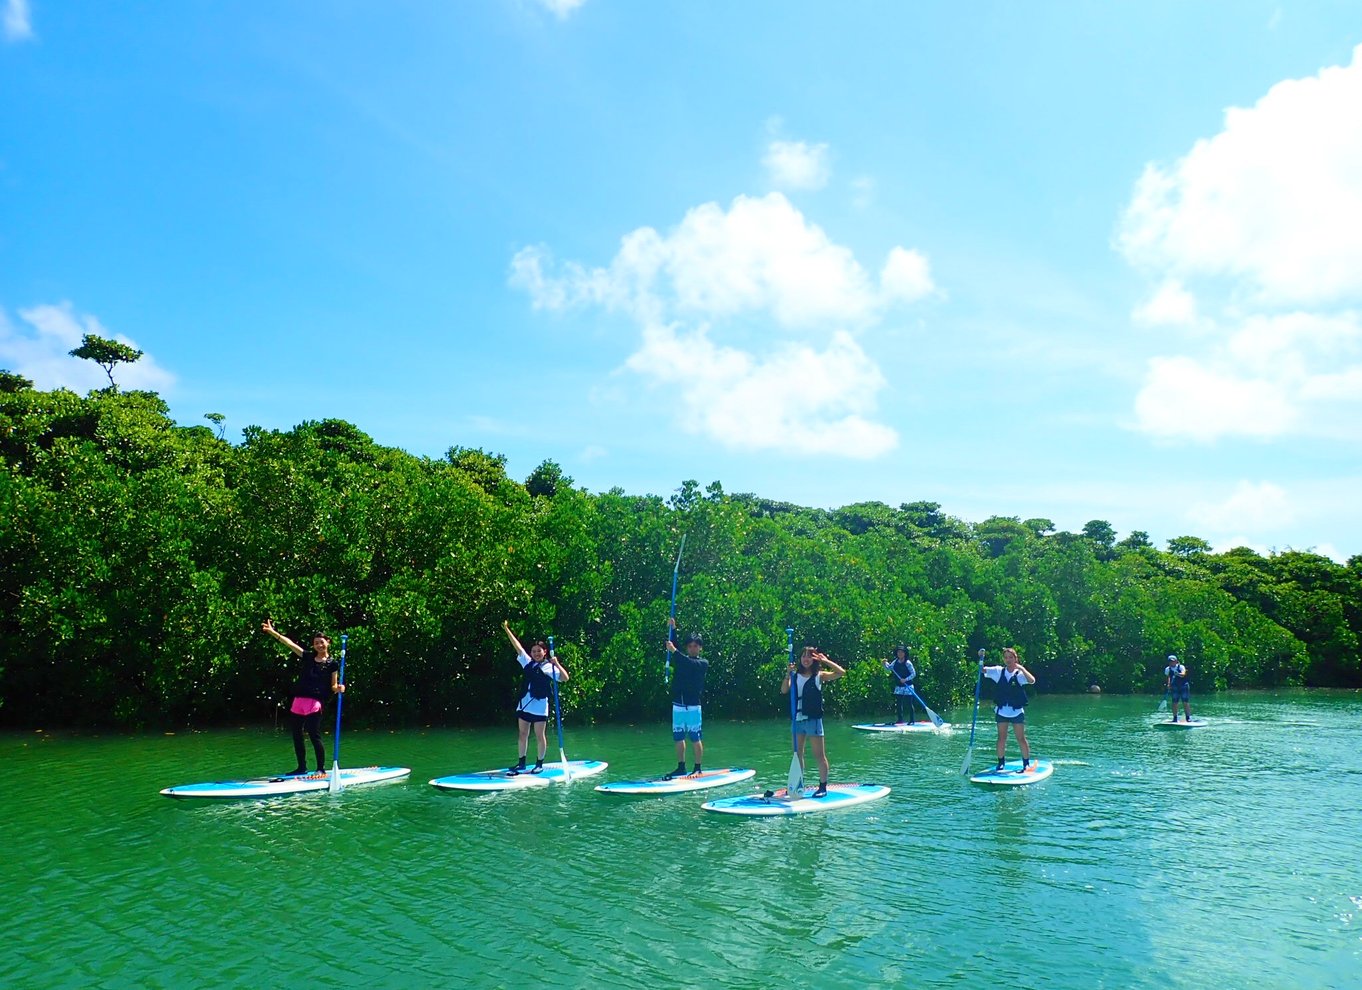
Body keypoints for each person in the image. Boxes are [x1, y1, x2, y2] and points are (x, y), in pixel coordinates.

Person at [261, 619, 344, 776]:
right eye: (316, 643)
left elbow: (333, 686)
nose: (319, 645)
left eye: (321, 642)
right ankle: (301, 767)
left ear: (328, 642)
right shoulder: (307, 657)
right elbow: (290, 644)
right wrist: (273, 632)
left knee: (314, 734)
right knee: (297, 736)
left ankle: (320, 768)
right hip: (298, 701)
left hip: (315, 703)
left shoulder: (333, 664)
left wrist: (339, 688)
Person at [502, 620, 569, 775]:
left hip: (540, 706)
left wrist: (557, 663)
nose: (536, 653)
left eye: (539, 651)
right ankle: (521, 763)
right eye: (534, 651)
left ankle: (539, 764)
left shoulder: (549, 667)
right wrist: (506, 629)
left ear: (544, 652)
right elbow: (518, 647)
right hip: (525, 704)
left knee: (540, 735)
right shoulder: (527, 662)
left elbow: (565, 678)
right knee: (522, 734)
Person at [780, 644, 846, 797]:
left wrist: (826, 660)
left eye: (809, 656)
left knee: (819, 755)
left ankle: (822, 787)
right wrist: (787, 674)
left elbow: (841, 673)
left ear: (814, 659)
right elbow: (784, 690)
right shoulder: (794, 676)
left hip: (813, 720)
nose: (806, 659)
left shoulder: (819, 676)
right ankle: (798, 783)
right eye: (803, 656)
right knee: (797, 753)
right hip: (797, 720)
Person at [663, 617, 709, 779]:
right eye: (689, 646)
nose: (692, 648)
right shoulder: (682, 659)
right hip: (679, 704)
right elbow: (677, 653)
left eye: (695, 646)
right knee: (678, 737)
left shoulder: (702, 663)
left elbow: (686, 662)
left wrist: (674, 650)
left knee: (695, 737)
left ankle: (697, 768)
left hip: (693, 706)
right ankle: (681, 767)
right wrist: (673, 629)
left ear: (700, 648)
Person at [982, 647, 1036, 772]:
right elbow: (982, 670)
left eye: (1011, 657)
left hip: (1016, 711)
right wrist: (981, 658)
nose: (1008, 660)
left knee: (1020, 738)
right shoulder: (998, 671)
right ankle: (1001, 763)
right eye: (1006, 657)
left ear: (1015, 658)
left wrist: (1021, 668)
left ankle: (1026, 764)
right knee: (1001, 737)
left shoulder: (1020, 674)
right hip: (1002, 711)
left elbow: (1032, 680)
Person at [882, 644, 920, 723]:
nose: (900, 654)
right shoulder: (895, 661)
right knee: (899, 703)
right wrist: (884, 664)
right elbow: (889, 669)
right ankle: (900, 720)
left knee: (909, 703)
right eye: (899, 652)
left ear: (905, 653)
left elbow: (913, 674)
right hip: (899, 686)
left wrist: (905, 679)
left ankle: (912, 720)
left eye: (902, 652)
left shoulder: (908, 663)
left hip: (908, 686)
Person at [1165, 654, 1192, 722]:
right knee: (1174, 702)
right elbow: (1168, 677)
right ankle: (1175, 718)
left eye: (1173, 661)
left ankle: (1188, 717)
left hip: (1184, 686)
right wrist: (1168, 684)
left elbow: (1183, 674)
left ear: (1176, 661)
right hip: (1174, 687)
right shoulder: (1167, 669)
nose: (1172, 663)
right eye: (1170, 661)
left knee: (1185, 702)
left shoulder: (1181, 667)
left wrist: (1177, 674)